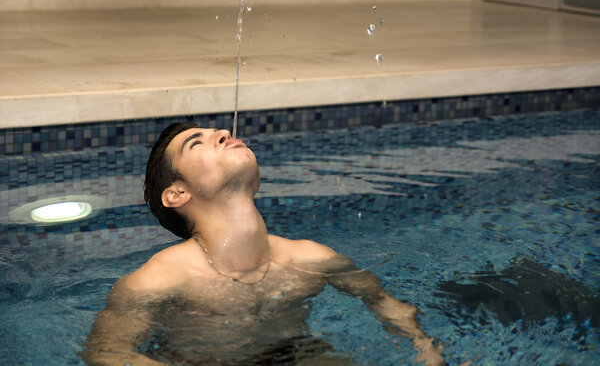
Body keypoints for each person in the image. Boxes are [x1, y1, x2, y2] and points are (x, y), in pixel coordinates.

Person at [79, 123, 451, 366]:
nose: (223, 132)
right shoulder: (161, 278)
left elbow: (383, 302)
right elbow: (106, 352)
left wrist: (425, 346)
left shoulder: (312, 258)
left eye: (216, 131)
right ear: (177, 193)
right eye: (198, 142)